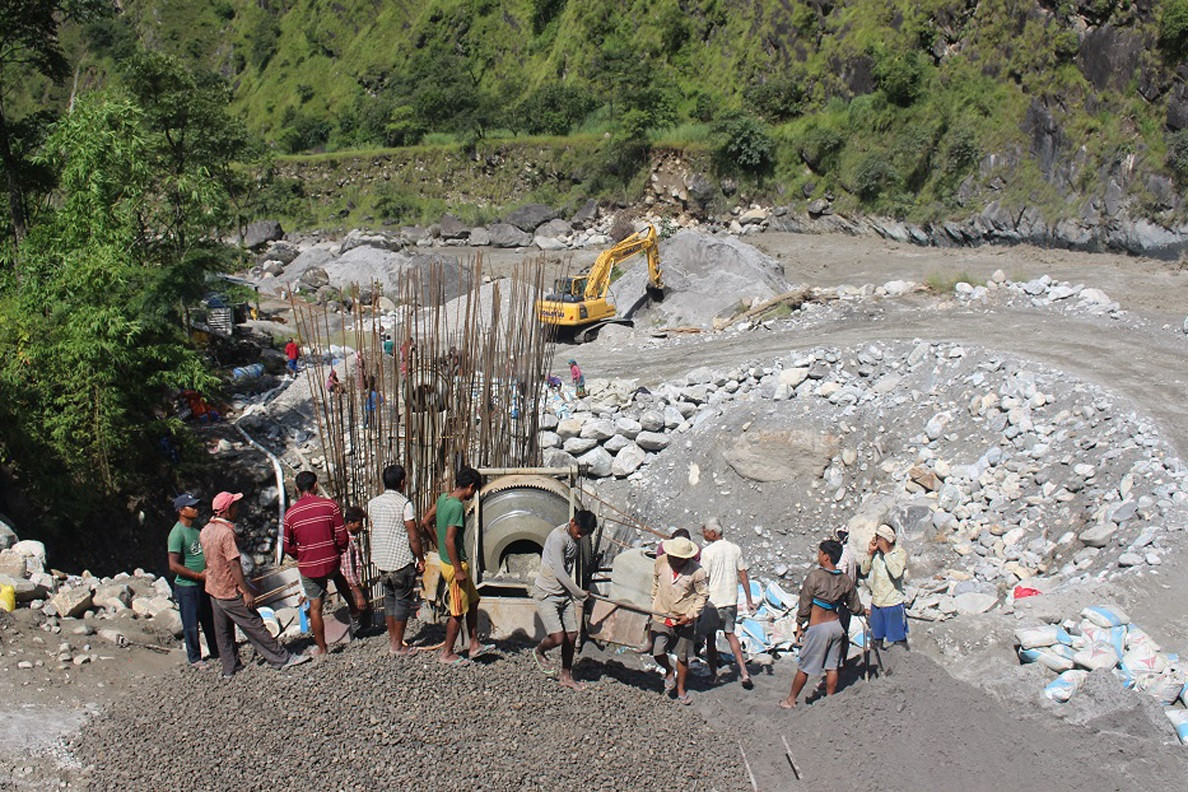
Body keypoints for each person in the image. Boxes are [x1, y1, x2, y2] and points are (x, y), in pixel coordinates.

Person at [200, 491, 309, 677]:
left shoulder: (205, 531)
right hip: (229, 589)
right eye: (235, 505)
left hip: (213, 588)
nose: (238, 508)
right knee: (254, 624)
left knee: (223, 631)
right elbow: (234, 564)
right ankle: (281, 658)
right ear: (227, 510)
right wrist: (245, 590)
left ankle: (230, 667)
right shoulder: (226, 533)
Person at [780, 540, 864, 709]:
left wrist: (799, 625)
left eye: (819, 553)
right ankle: (830, 700)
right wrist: (864, 611)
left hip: (819, 627)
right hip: (836, 626)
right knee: (832, 666)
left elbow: (805, 603)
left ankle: (790, 700)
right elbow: (855, 606)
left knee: (804, 667)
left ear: (826, 556)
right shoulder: (845, 580)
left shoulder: (815, 577)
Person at [283, 470, 358, 657]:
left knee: (315, 606)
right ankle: (354, 609)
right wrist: (336, 550)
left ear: (296, 489)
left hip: (309, 566)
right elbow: (342, 536)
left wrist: (301, 555)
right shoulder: (330, 506)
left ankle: (322, 648)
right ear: (315, 486)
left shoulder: (290, 515)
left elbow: (287, 546)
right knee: (337, 575)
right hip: (330, 560)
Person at [423, 466, 492, 664]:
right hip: (456, 566)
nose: (473, 495)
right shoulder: (456, 507)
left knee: (473, 600)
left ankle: (474, 644)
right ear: (470, 486)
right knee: (457, 611)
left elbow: (426, 521)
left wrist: (438, 546)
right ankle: (447, 653)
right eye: (474, 491)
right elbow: (450, 540)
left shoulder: (443, 498)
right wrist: (458, 569)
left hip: (450, 561)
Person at [531, 510, 597, 691]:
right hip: (547, 593)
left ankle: (566, 675)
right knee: (558, 637)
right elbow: (560, 573)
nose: (579, 536)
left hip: (564, 594)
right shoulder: (558, 538)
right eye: (578, 532)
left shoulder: (575, 539)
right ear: (572, 522)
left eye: (584, 535)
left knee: (572, 636)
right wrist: (580, 593)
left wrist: (573, 593)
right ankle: (540, 650)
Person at [368, 464, 425, 656]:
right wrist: (420, 559)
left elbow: (375, 528)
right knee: (402, 601)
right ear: (402, 482)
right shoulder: (405, 504)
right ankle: (398, 645)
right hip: (401, 560)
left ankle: (394, 640)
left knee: (390, 599)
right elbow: (413, 536)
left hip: (382, 560)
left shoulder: (373, 503)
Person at [649, 536, 708, 705]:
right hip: (661, 614)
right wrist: (654, 600)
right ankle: (668, 671)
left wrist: (689, 615)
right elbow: (655, 581)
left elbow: (703, 595)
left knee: (682, 657)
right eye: (673, 557)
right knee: (658, 650)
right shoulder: (661, 562)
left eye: (680, 559)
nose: (675, 560)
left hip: (683, 618)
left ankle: (681, 688)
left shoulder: (697, 571)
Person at [698, 519, 756, 688]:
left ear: (713, 533)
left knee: (710, 637)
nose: (704, 534)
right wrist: (749, 599)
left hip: (714, 602)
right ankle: (744, 672)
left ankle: (713, 674)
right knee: (730, 634)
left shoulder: (708, 552)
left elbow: (704, 577)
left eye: (706, 531)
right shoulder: (735, 549)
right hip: (731, 599)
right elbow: (743, 575)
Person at [167, 493, 219, 669]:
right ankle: (195, 658)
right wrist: (197, 575)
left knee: (209, 618)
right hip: (187, 586)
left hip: (203, 582)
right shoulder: (177, 533)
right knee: (190, 623)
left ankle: (216, 650)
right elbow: (173, 565)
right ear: (182, 511)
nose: (196, 510)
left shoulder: (196, 531)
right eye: (192, 507)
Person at [861, 524, 908, 650]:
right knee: (876, 640)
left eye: (881, 538)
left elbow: (896, 573)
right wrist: (870, 553)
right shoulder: (876, 555)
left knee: (898, 641)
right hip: (877, 602)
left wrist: (886, 552)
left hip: (893, 603)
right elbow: (864, 570)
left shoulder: (899, 553)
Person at [340, 506, 370, 635]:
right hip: (351, 586)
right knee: (356, 611)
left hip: (354, 584)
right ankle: (357, 635)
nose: (361, 527)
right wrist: (358, 594)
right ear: (350, 523)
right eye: (359, 524)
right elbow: (348, 571)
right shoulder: (347, 542)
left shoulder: (352, 539)